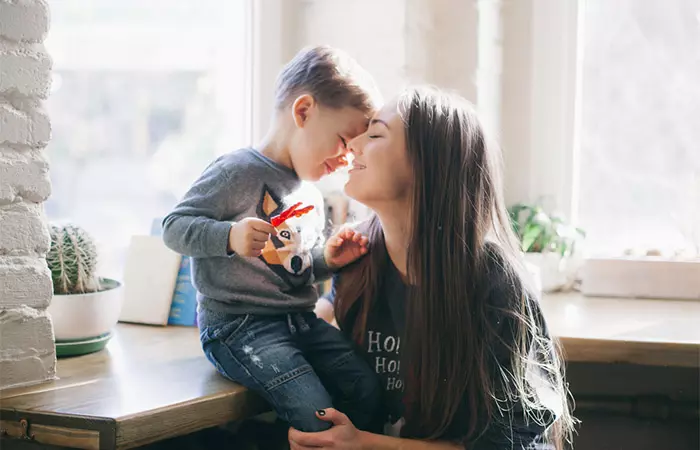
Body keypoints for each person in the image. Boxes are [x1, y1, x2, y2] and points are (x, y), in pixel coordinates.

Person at [292, 86, 576, 449]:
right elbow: (325, 317)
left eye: (375, 133)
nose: (353, 144)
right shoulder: (356, 258)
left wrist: (364, 444)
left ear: (429, 165)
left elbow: (510, 444)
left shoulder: (495, 283)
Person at [162, 45, 384, 433]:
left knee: (366, 388)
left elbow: (292, 270)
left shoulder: (310, 193)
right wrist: (229, 236)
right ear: (303, 112)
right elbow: (174, 227)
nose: (348, 158)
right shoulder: (236, 172)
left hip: (300, 322)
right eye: (344, 141)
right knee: (314, 413)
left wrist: (327, 259)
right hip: (238, 327)